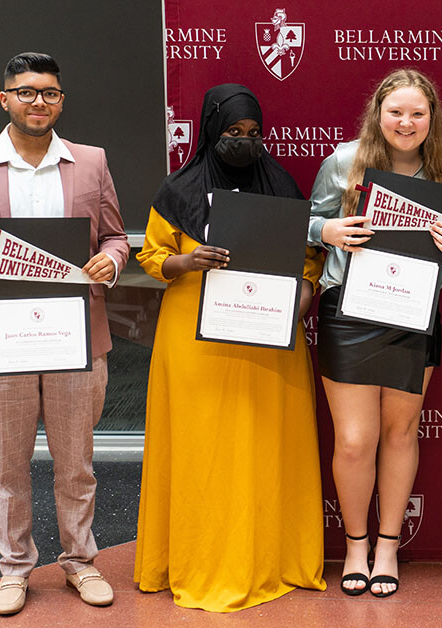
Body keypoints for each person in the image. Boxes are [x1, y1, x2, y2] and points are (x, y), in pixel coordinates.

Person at [0, 52, 129, 615]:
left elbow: (115, 237)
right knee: (9, 467)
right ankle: (15, 568)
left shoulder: (90, 161)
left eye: (49, 93)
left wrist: (112, 261)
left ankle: (79, 561)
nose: (38, 102)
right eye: (26, 92)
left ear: (60, 101)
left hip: (74, 336)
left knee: (77, 464)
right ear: (5, 100)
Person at [133, 84, 326, 612]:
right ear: (211, 130)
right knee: (202, 452)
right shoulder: (178, 190)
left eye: (253, 133)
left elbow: (309, 259)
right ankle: (196, 560)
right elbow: (152, 257)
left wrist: (304, 295)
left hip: (267, 337)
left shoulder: (281, 186)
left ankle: (272, 559)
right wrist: (187, 261)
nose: (243, 141)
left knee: (264, 446)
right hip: (194, 340)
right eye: (233, 132)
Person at [308, 68, 442, 598]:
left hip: (413, 314)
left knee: (400, 434)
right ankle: (356, 545)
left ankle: (388, 547)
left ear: (432, 119)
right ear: (378, 114)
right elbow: (306, 224)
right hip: (349, 311)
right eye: (396, 111)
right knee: (355, 441)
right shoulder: (343, 162)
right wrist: (327, 230)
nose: (406, 122)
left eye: (418, 113)